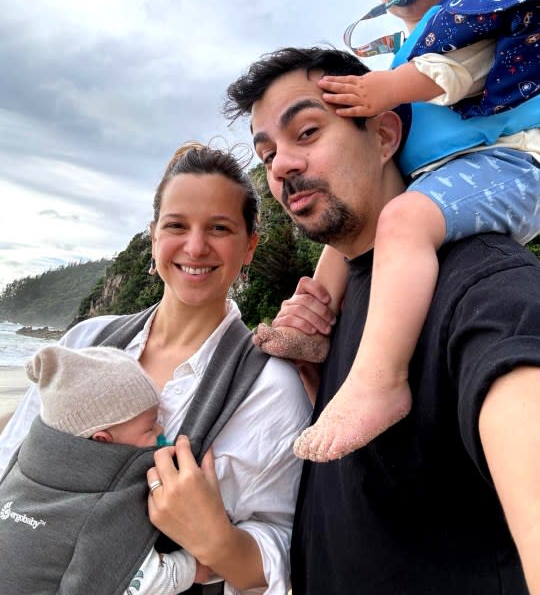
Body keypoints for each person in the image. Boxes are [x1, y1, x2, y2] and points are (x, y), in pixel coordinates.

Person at [224, 45, 540, 594]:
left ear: (386, 136)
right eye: (268, 152)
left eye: (307, 133)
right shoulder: (347, 293)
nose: (282, 167)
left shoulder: (482, 282)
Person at [251, 0, 540, 462]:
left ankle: (380, 381)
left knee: (402, 218)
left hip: (506, 166)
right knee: (355, 221)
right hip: (443, 174)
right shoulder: (407, 45)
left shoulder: (474, 22)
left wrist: (379, 87)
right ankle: (313, 315)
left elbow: (450, 77)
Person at [0, 142, 312, 595]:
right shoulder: (85, 341)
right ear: (153, 237)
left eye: (220, 228)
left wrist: (218, 542)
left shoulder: (269, 387)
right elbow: (13, 463)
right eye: (177, 226)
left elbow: (284, 547)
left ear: (249, 246)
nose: (196, 246)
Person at [0, 343, 205, 595]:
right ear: (102, 440)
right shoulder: (98, 511)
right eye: (151, 427)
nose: (161, 431)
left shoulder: (22, 465)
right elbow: (131, 582)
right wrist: (191, 568)